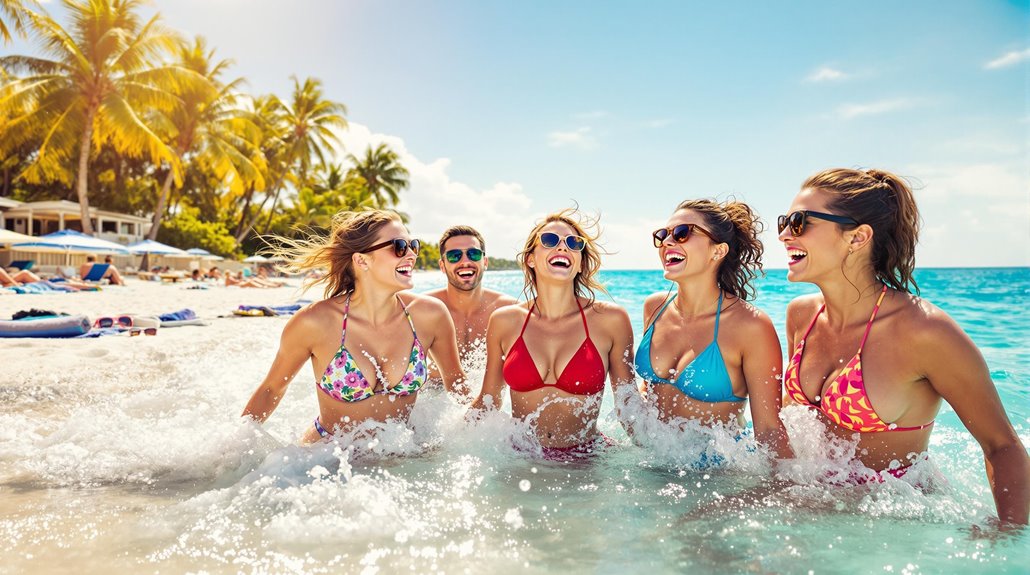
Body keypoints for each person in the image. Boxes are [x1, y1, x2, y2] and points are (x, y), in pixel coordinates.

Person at [779, 167, 1028, 525]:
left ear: (858, 237)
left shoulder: (924, 331)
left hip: (892, 526)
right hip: (812, 503)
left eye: (801, 222)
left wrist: (1007, 537)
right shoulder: (802, 315)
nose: (786, 234)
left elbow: (1003, 446)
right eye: (784, 222)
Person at [242, 209, 468, 444]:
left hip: (402, 456)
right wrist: (233, 447)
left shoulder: (430, 315)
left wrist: (486, 432)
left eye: (413, 245)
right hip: (329, 459)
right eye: (399, 246)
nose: (411, 254)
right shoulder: (315, 321)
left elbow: (456, 383)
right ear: (361, 260)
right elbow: (271, 389)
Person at [636, 199, 792, 459]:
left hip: (717, 475)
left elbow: (769, 429)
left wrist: (784, 490)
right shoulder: (655, 307)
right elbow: (650, 389)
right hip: (652, 464)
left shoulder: (751, 325)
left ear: (717, 251)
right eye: (662, 235)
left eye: (682, 233)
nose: (667, 242)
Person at [470, 208, 635, 455]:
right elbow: (488, 401)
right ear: (531, 259)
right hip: (521, 458)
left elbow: (628, 404)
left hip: (586, 460)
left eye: (573, 243)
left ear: (579, 264)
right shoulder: (505, 321)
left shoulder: (610, 319)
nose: (562, 247)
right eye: (549, 241)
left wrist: (664, 458)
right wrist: (445, 444)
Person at [425, 225, 517, 358]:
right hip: (433, 380)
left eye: (473, 254)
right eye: (454, 256)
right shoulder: (423, 310)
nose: (465, 262)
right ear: (442, 266)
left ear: (485, 262)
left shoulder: (510, 310)